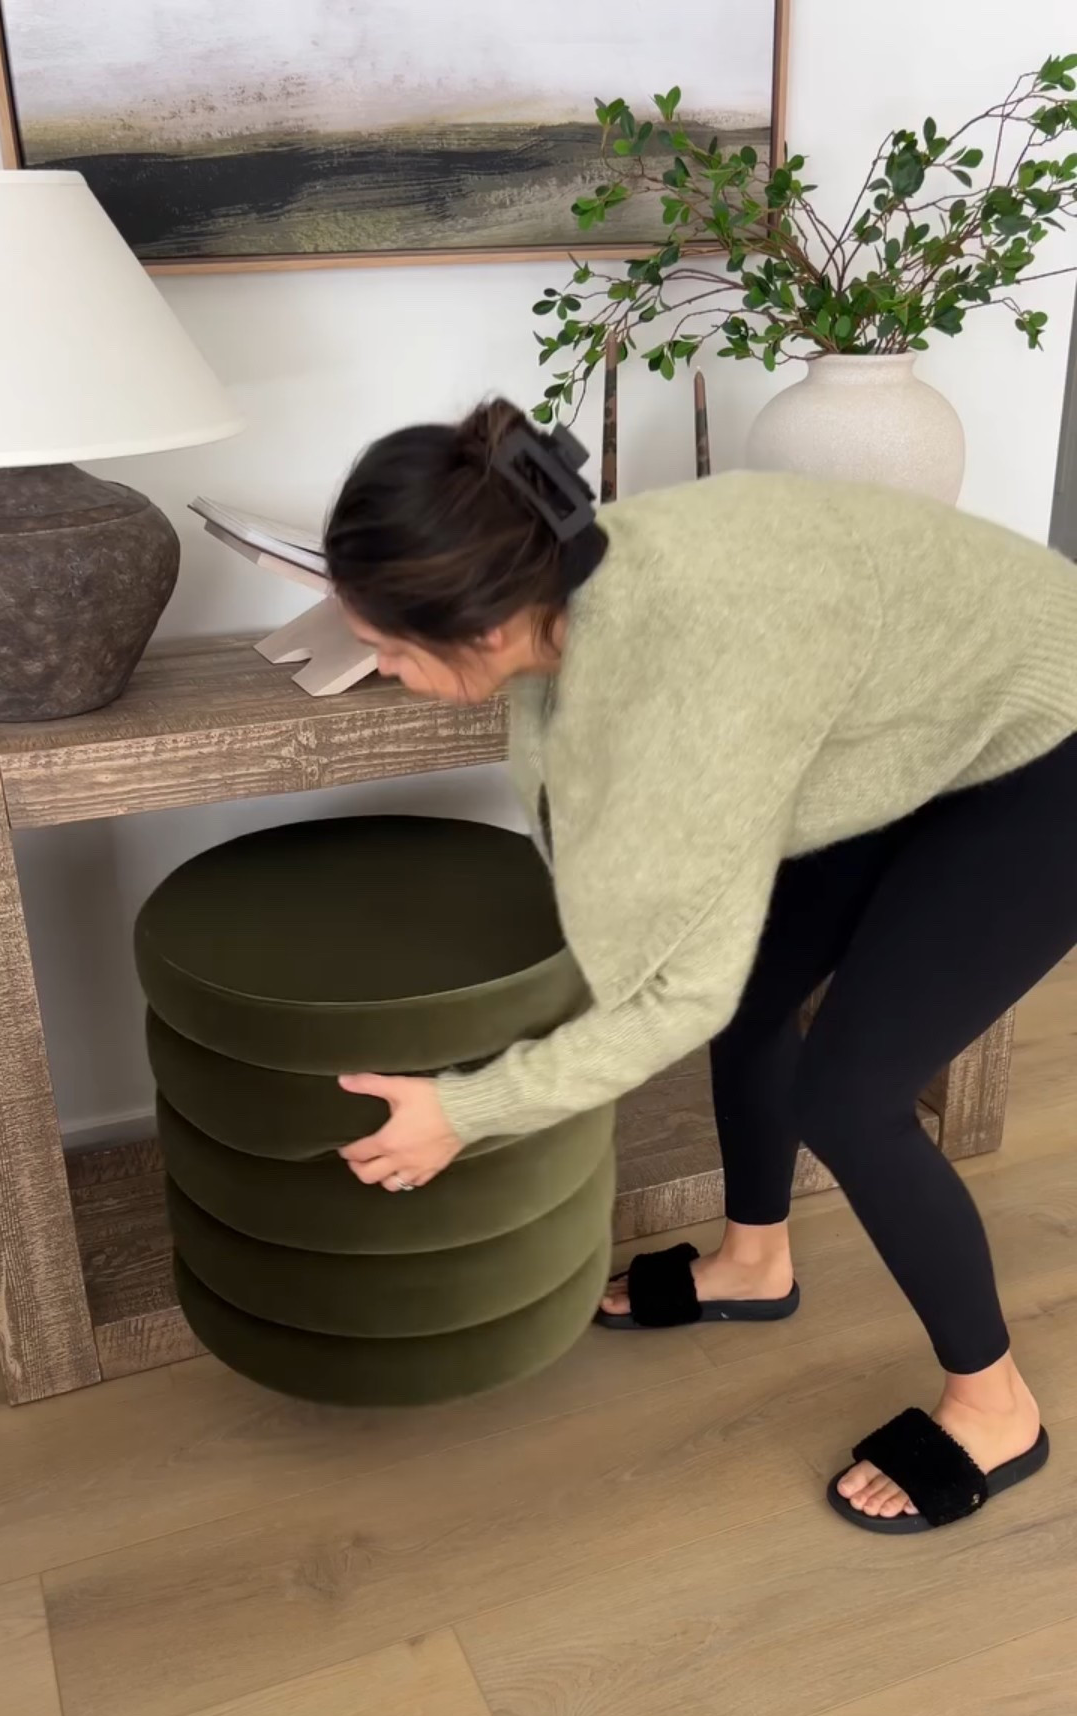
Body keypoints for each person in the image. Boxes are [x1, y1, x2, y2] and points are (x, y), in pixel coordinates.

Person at [322, 396, 1077, 1537]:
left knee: (853, 1095)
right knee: (765, 997)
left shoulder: (691, 680)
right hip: (914, 714)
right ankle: (754, 1262)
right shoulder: (565, 587)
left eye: (385, 647)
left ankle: (995, 1405)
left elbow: (684, 986)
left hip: (1050, 736)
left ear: (482, 625)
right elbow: (562, 769)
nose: (378, 669)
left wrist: (473, 1109)